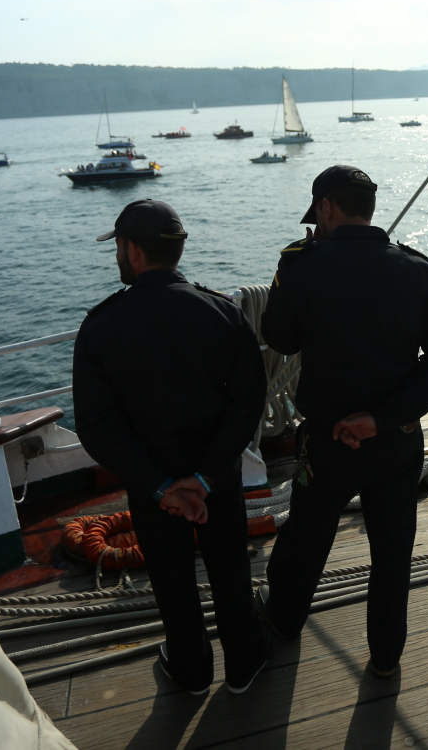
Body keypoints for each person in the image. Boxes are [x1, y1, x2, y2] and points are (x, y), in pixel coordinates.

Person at [260, 165, 428, 677]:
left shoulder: (302, 265)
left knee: (307, 537)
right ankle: (387, 655)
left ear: (326, 208)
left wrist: (299, 265)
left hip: (325, 439)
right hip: (395, 439)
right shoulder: (422, 272)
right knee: (392, 549)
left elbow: (279, 338)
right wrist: (381, 418)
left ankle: (283, 624)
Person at [72, 199, 267, 696]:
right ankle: (243, 664)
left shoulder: (101, 325)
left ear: (133, 251)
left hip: (151, 484)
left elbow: (97, 428)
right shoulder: (223, 312)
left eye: (118, 246)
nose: (117, 254)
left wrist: (161, 487)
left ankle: (191, 668)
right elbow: (249, 403)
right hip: (215, 478)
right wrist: (203, 477)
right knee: (230, 566)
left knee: (171, 578)